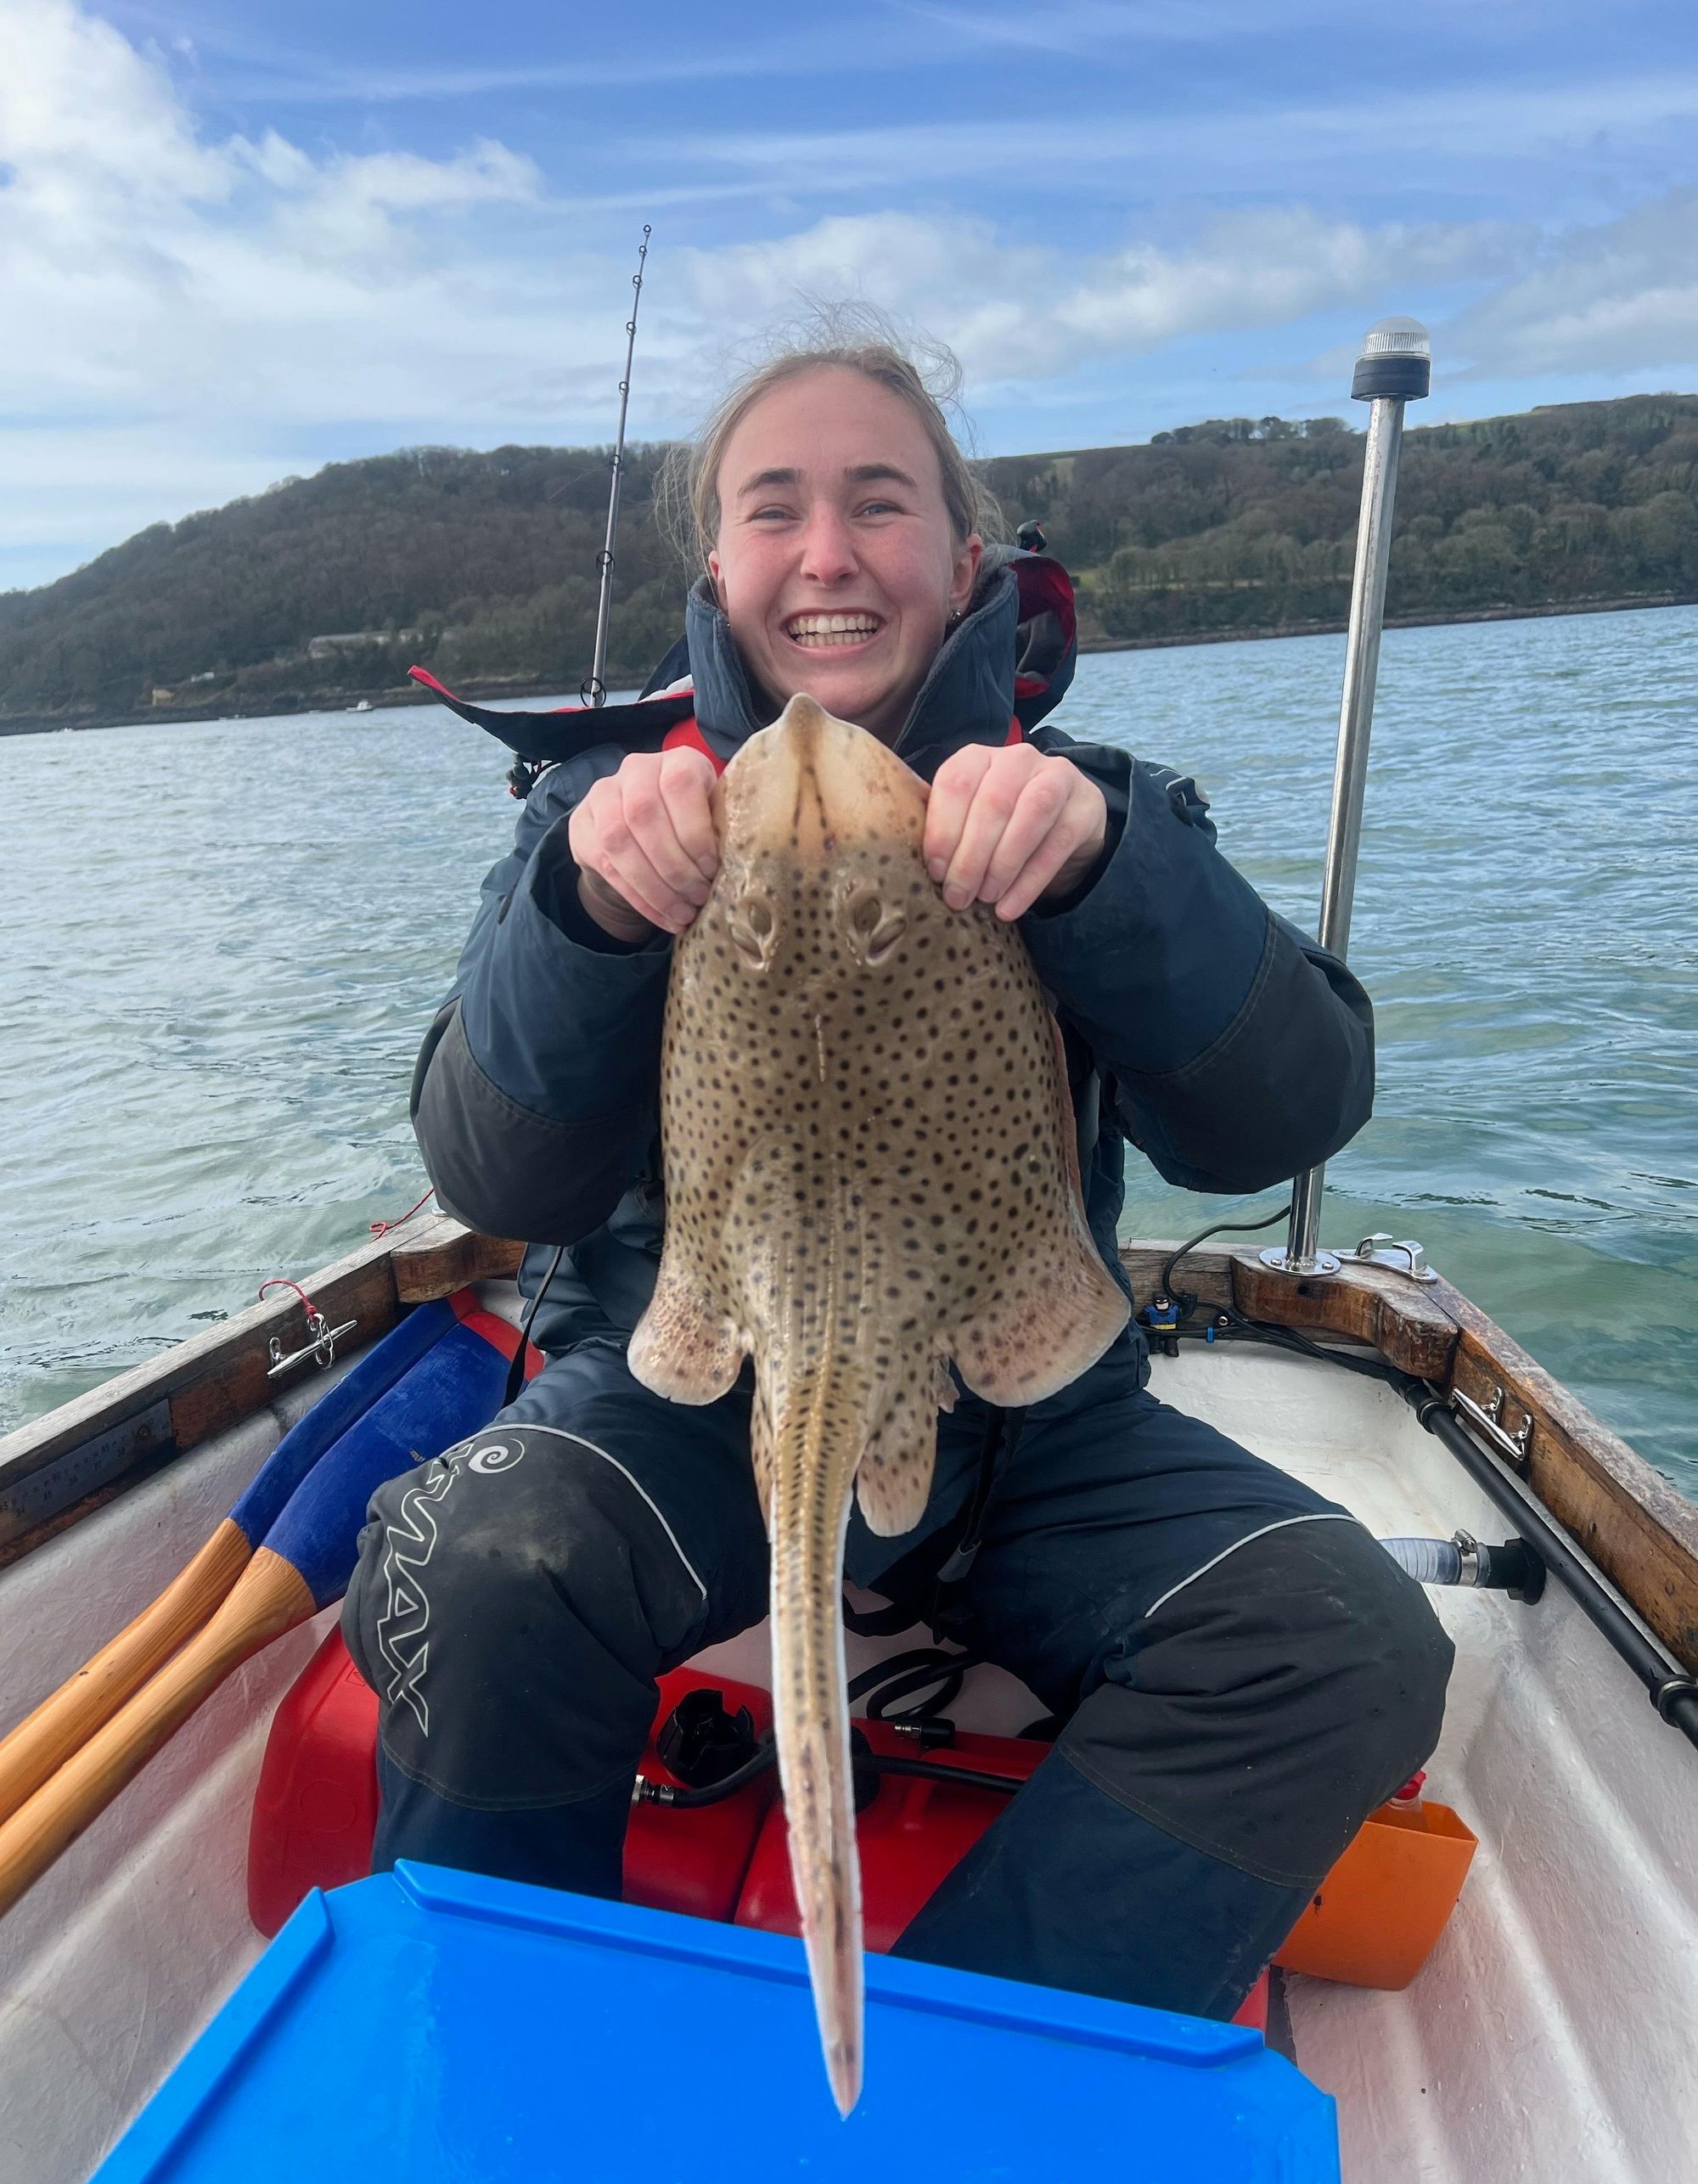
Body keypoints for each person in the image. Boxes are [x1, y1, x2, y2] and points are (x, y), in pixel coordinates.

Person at [342, 326, 1452, 2020]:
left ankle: (952, 2089)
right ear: (717, 564)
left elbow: (1280, 1115)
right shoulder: (596, 810)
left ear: (962, 554)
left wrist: (1105, 876)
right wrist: (583, 915)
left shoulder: (1095, 805)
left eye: (879, 502)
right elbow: (498, 1167)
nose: (828, 551)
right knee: (470, 1551)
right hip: (701, 1398)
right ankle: (525, 2066)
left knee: (1341, 1638)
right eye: (773, 507)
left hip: (1034, 1429)